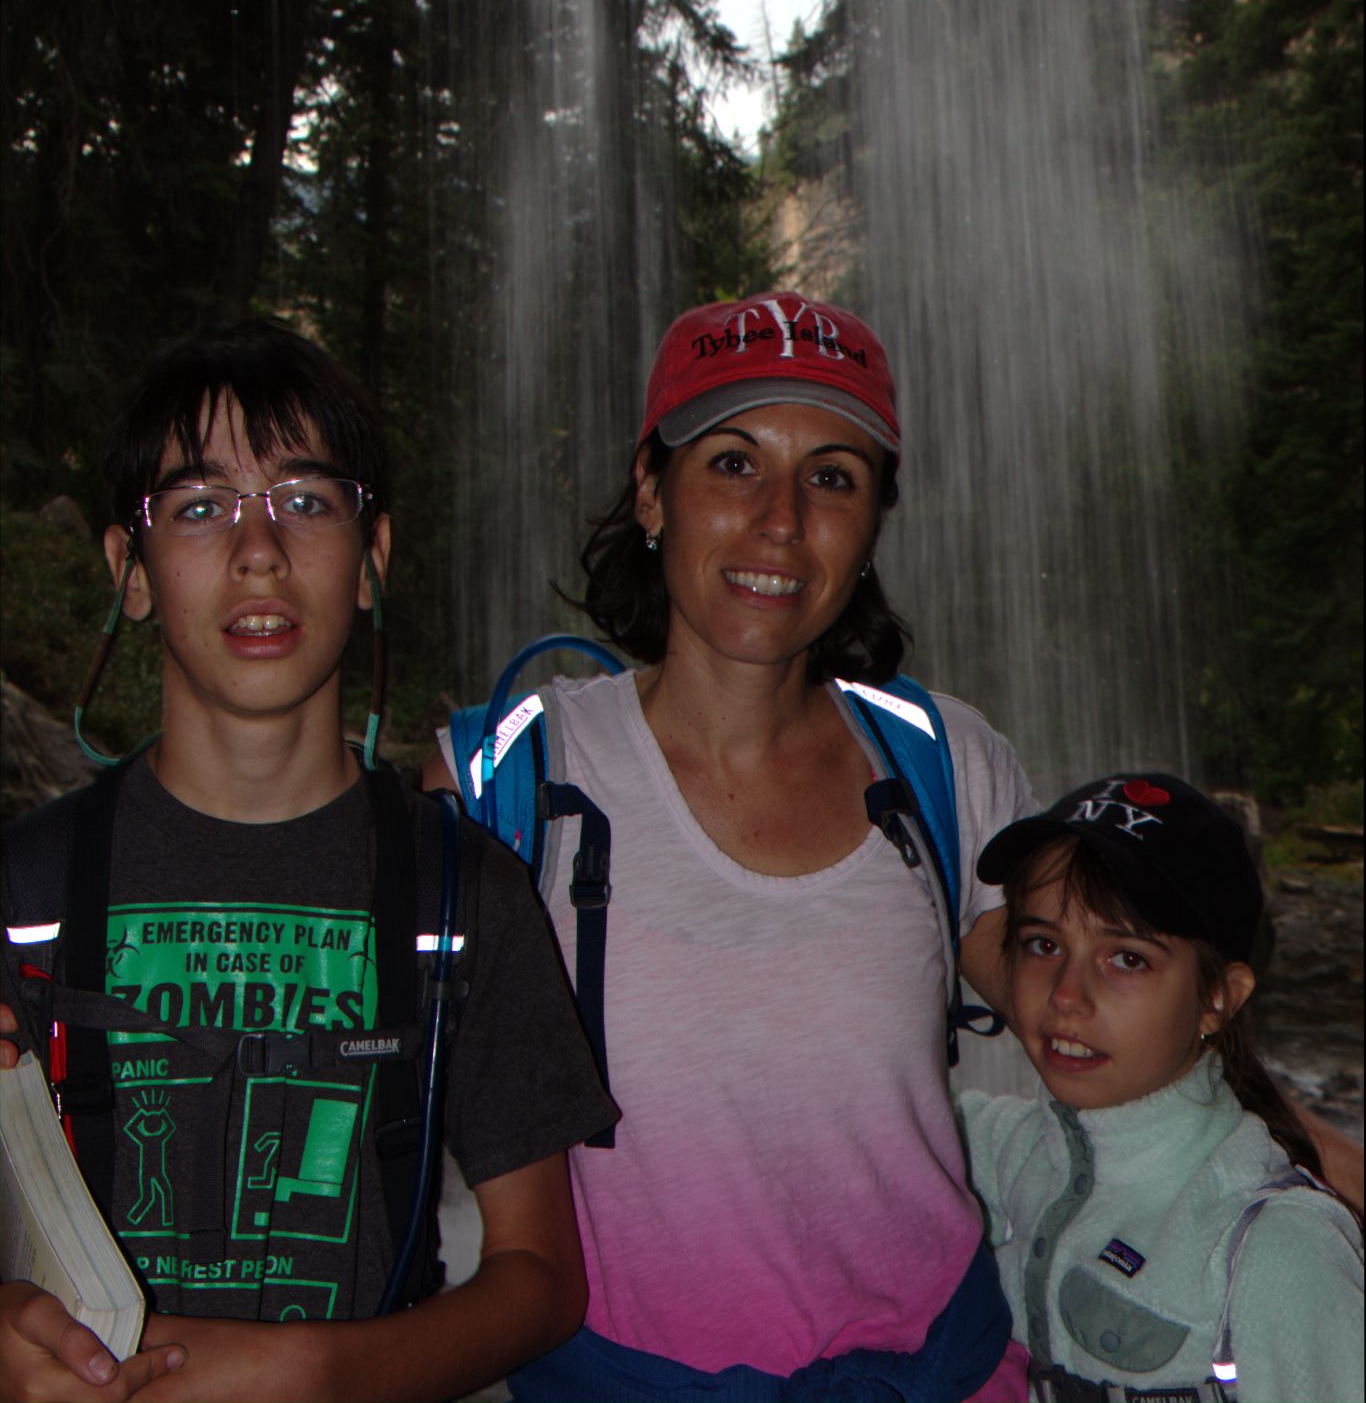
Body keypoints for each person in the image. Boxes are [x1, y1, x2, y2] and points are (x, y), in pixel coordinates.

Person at [426, 289, 1039, 1402]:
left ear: (871, 524)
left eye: (834, 477)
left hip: (937, 1376)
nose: (781, 520)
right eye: (733, 463)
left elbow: (1103, 1003)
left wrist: (1286, 1159)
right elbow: (296, 994)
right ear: (650, 492)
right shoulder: (501, 781)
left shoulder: (944, 766)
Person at [0, 317, 616, 1403]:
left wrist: (325, 1369)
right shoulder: (22, 892)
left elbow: (540, 1274)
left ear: (372, 559)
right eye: (197, 507)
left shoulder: (460, 894)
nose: (258, 549)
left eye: (306, 500)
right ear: (129, 570)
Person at [957, 773, 1364, 1403]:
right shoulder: (982, 1153)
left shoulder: (1271, 1249)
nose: (1066, 994)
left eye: (1127, 959)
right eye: (1043, 944)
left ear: (1218, 998)